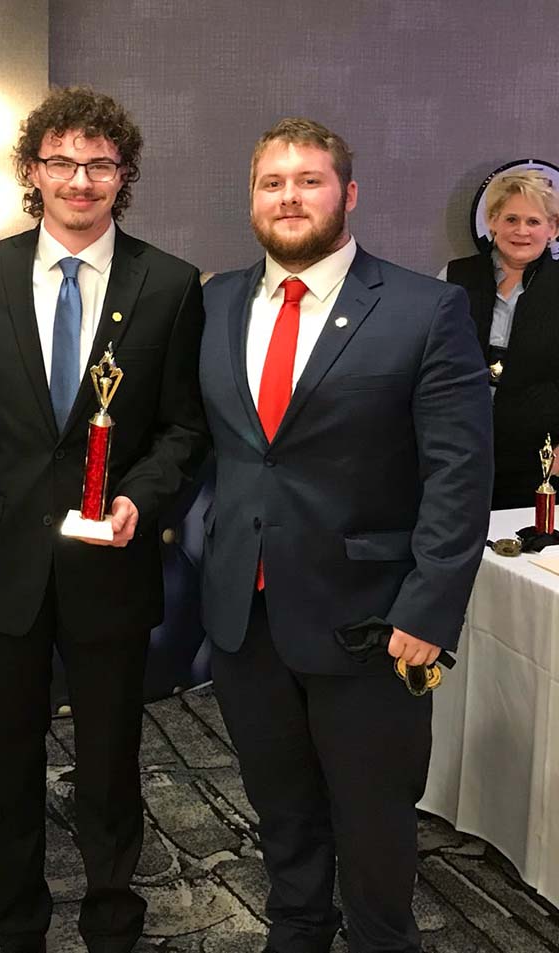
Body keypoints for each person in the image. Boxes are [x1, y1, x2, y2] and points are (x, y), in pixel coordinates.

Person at [199, 118, 492, 953]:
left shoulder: (424, 308)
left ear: (348, 193)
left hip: (371, 623)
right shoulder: (216, 301)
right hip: (246, 618)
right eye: (271, 182)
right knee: (281, 812)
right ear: (252, 197)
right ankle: (294, 934)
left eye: (310, 179)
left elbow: (459, 475)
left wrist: (431, 611)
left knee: (373, 825)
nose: (289, 195)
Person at [0, 87, 208, 953]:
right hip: (3, 553)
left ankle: (112, 917)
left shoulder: (168, 282)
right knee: (9, 754)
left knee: (109, 756)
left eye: (99, 163)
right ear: (33, 172)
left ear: (122, 174)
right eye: (62, 161)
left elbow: (184, 425)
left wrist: (143, 493)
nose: (80, 178)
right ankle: (15, 920)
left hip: (112, 553)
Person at [442, 171, 559, 508]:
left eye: (534, 221)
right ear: (492, 222)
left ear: (552, 229)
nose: (521, 231)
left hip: (539, 460)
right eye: (511, 218)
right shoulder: (452, 279)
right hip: (458, 454)